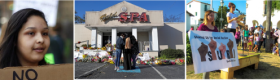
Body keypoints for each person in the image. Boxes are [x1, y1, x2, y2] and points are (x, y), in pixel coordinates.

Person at [197, 10, 218, 79]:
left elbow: (217, 38)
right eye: (211, 15)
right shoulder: (202, 26)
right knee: (206, 68)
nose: (213, 17)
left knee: (209, 67)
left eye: (213, 16)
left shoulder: (215, 27)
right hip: (205, 49)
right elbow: (197, 36)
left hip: (213, 49)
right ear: (207, 16)